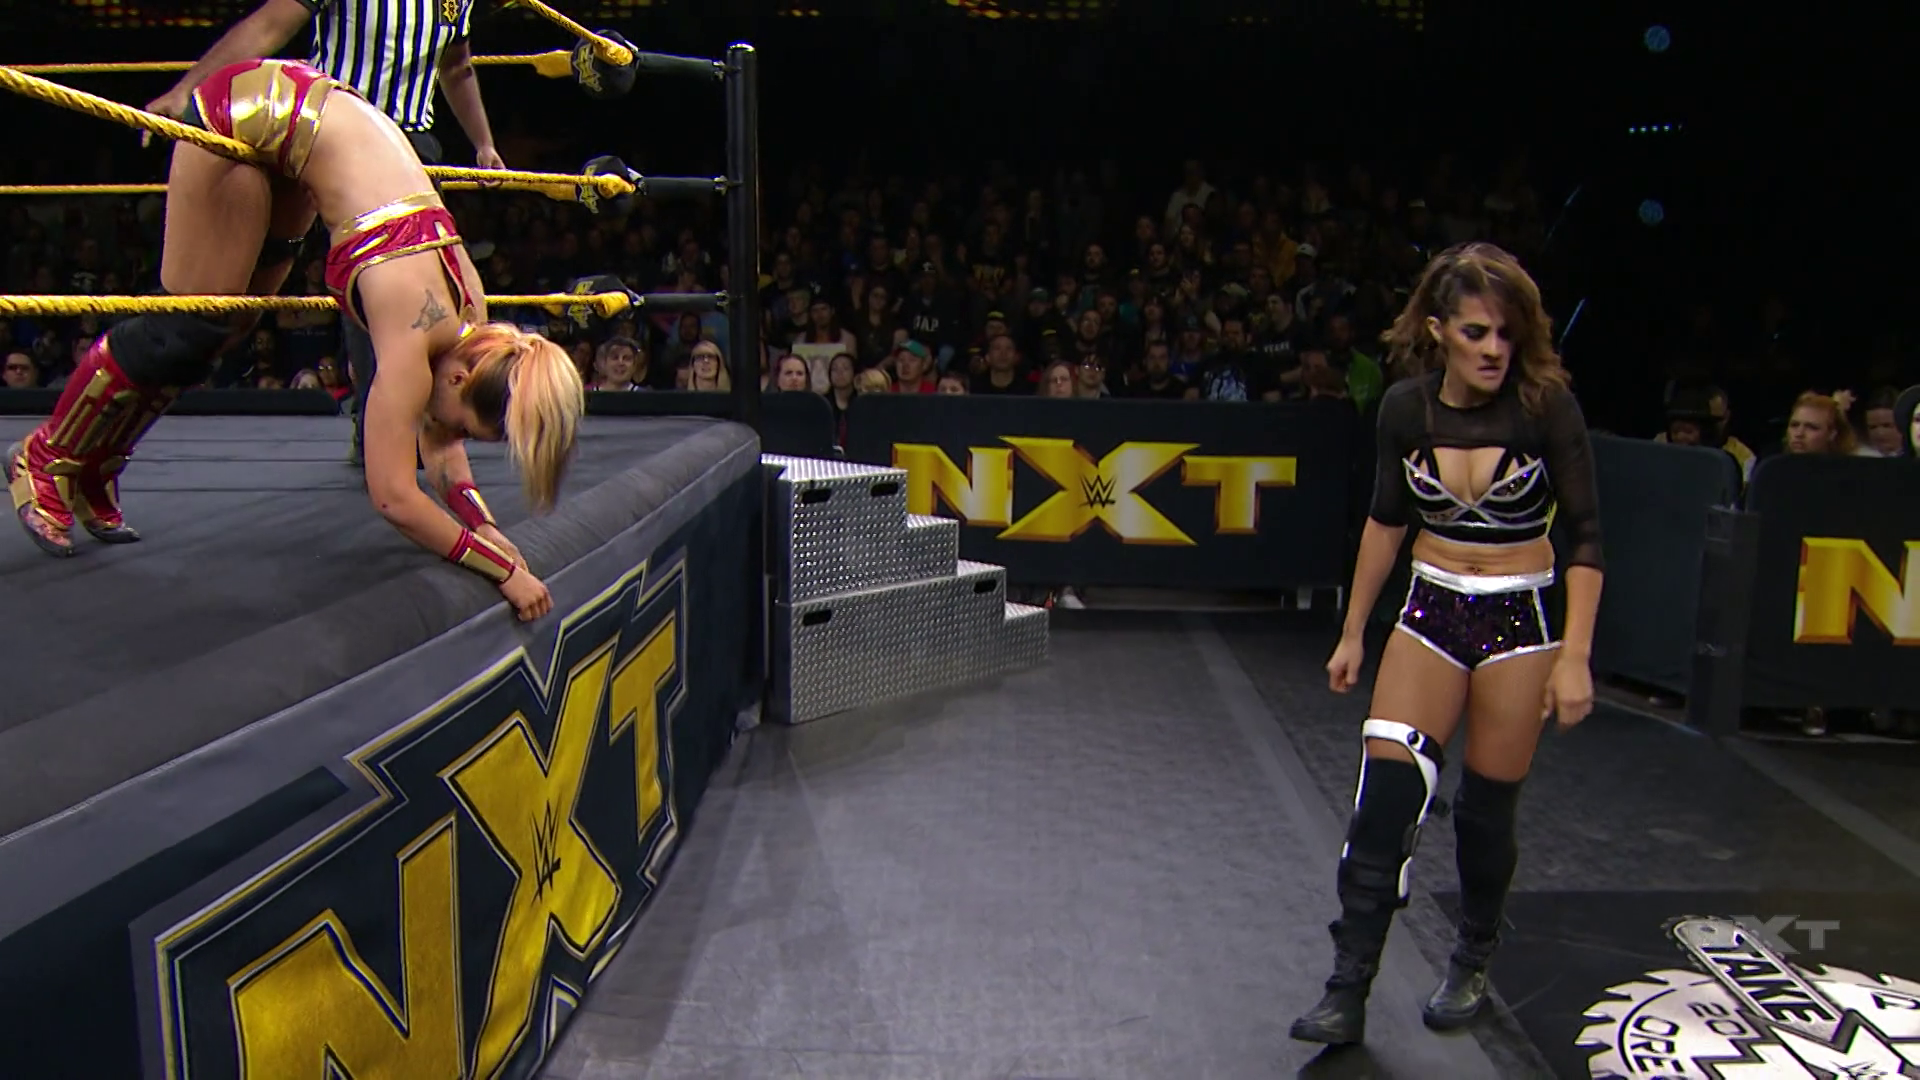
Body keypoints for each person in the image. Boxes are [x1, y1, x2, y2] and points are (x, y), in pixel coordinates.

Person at [6, 58, 580, 624]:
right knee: (186, 325)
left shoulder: (473, 326)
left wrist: (484, 527)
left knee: (228, 329)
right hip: (249, 108)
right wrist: (501, 570)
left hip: (300, 129)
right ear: (459, 378)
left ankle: (96, 464)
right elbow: (394, 496)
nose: (455, 437)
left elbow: (439, 442)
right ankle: (48, 454)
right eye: (466, 427)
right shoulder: (416, 331)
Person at [1290, 242, 1603, 1045]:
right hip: (1430, 610)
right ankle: (1347, 987)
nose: (1494, 349)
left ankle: (1472, 955)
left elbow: (1587, 537)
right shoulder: (1405, 408)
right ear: (1438, 331)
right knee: (1384, 801)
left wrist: (1574, 656)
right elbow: (1385, 521)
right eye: (1475, 332)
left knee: (1484, 815)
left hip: (1518, 618)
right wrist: (1353, 632)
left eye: (1506, 333)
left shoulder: (1545, 406)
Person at [144, 0, 507, 465]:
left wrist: (484, 143)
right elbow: (269, 24)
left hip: (410, 145)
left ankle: (416, 426)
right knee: (238, 296)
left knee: (418, 294)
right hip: (325, 136)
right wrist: (187, 91)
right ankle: (377, 430)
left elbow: (456, 66)